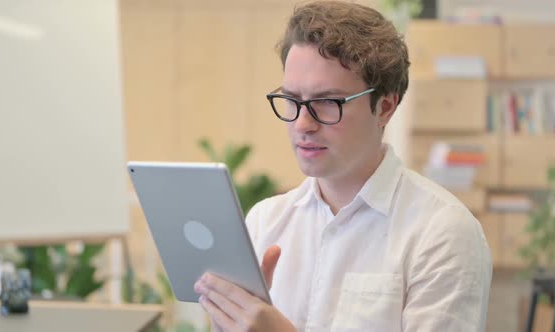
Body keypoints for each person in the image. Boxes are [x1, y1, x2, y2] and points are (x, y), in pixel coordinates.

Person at [194, 1, 492, 331]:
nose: (303, 123)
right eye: (292, 100)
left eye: (326, 102)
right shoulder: (265, 222)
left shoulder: (442, 232)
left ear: (385, 107)